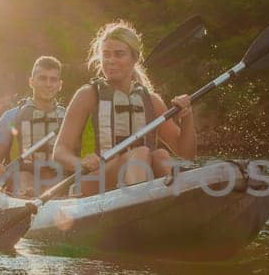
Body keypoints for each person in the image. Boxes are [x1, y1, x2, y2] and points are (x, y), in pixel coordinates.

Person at [51, 20, 195, 197]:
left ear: (134, 59)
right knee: (141, 153)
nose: (111, 61)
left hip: (138, 174)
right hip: (94, 181)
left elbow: (186, 154)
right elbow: (59, 151)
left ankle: (174, 205)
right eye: (106, 55)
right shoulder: (88, 95)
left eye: (119, 54)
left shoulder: (151, 101)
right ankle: (139, 209)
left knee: (161, 155)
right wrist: (80, 164)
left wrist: (187, 116)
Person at [0, 55, 65, 197]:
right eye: (42, 78)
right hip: (21, 179)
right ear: (31, 82)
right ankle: (28, 197)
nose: (48, 84)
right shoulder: (11, 117)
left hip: (56, 179)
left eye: (53, 79)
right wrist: (1, 179)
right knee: (24, 177)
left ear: (60, 85)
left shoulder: (68, 117)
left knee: (57, 181)